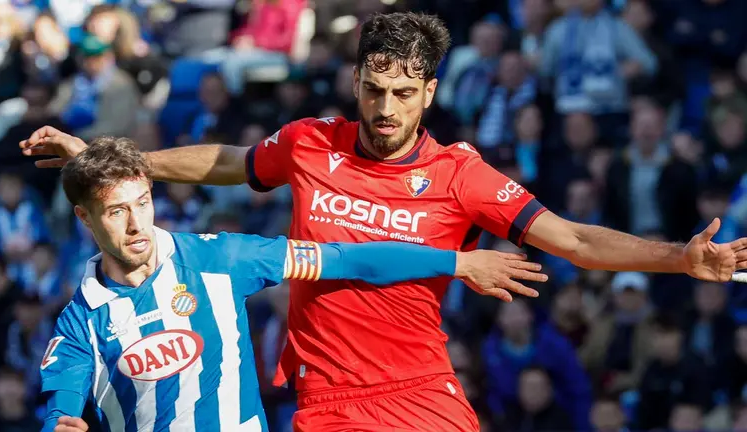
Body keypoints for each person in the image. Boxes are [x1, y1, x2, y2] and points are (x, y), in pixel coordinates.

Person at [22, 12, 747, 432]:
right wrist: (119, 164)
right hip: (328, 400)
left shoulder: (464, 177)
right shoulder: (311, 143)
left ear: (429, 90)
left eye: (404, 92)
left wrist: (679, 260)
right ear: (356, 81)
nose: (386, 109)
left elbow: (577, 239)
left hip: (422, 391)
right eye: (373, 89)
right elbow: (228, 160)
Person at [38, 136, 546, 432]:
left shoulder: (219, 257)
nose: (135, 225)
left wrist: (456, 263)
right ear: (85, 219)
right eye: (117, 212)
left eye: (142, 203)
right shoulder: (81, 322)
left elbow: (349, 259)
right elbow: (61, 407)